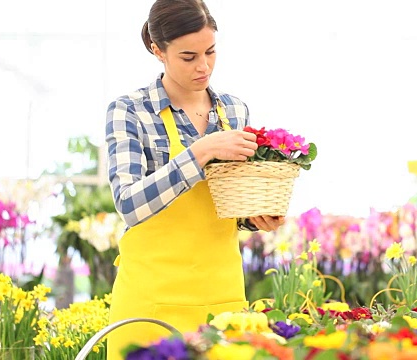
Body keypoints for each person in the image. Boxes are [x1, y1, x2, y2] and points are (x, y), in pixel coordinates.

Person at [104, 0, 285, 358]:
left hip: (221, 295)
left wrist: (253, 218)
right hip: (150, 300)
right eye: (188, 57)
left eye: (211, 51)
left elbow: (227, 202)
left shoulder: (234, 110)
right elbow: (129, 205)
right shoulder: (129, 111)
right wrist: (199, 152)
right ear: (158, 50)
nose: (203, 66)